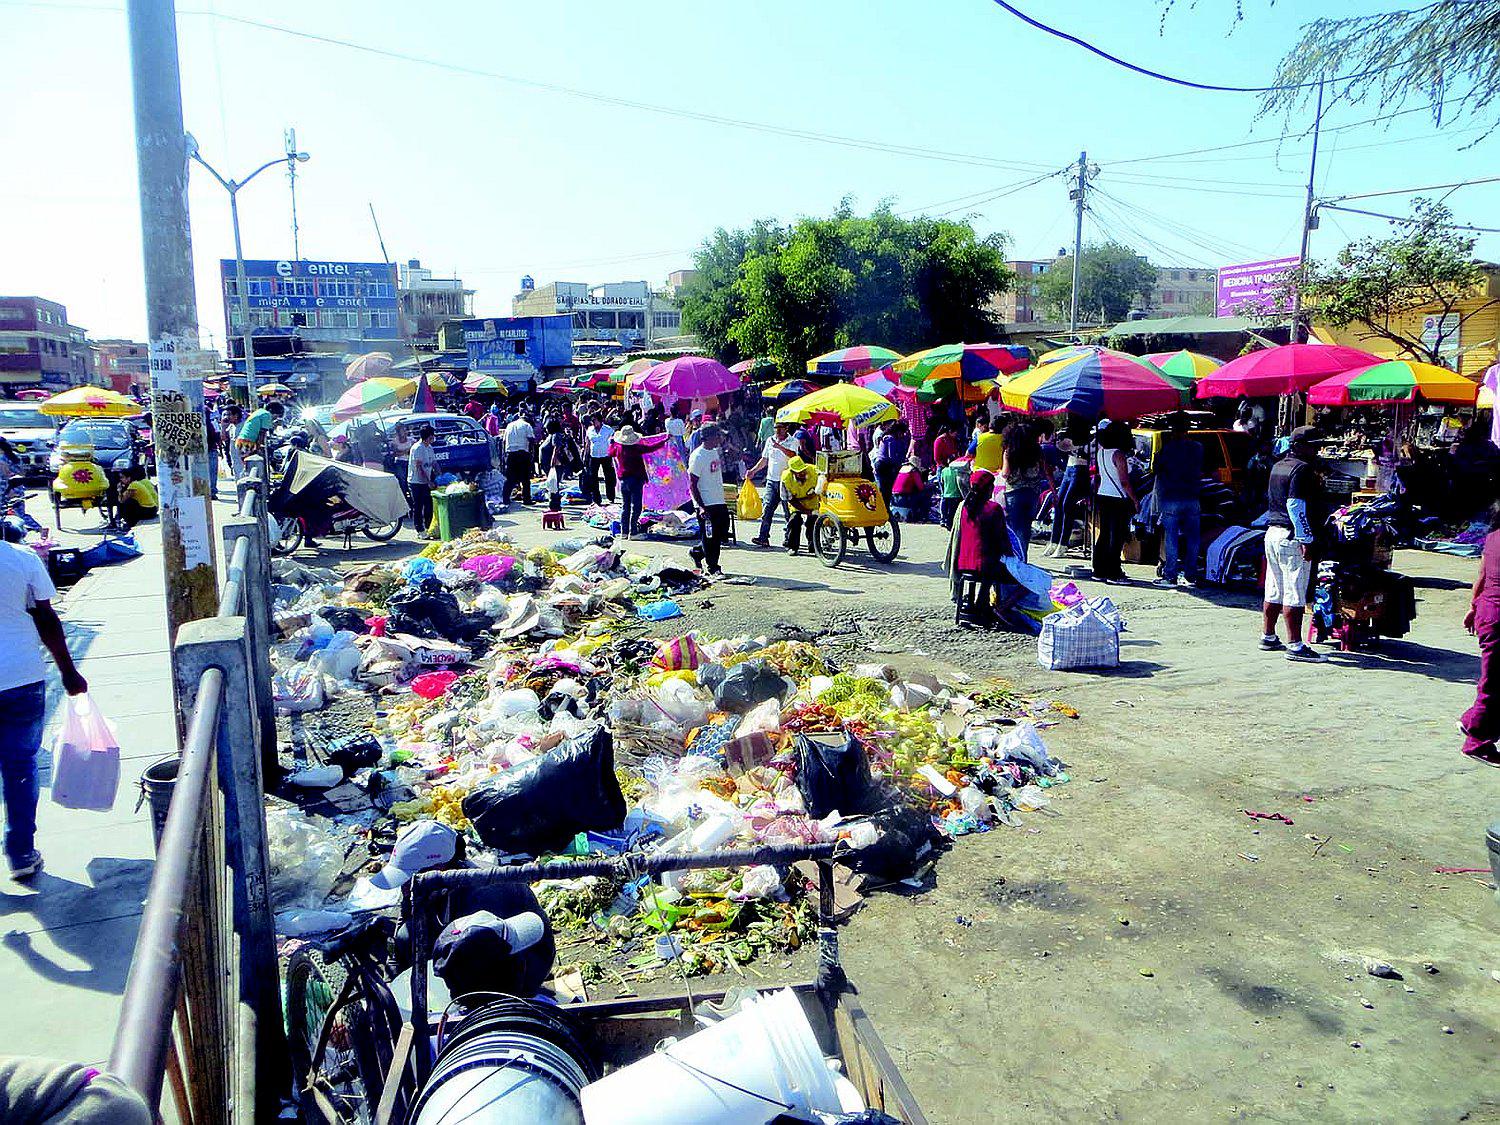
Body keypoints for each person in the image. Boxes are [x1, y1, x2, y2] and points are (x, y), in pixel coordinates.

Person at [1, 517, 88, 879]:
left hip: (21, 678)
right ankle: (21, 854)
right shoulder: (22, 559)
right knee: (20, 768)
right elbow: (46, 618)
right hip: (21, 676)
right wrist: (68, 671)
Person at [1260, 426, 1327, 663]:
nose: (1316, 449)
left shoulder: (1278, 466)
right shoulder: (1302, 469)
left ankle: (1268, 636)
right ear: (1298, 446)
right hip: (1291, 536)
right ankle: (1296, 645)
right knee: (1294, 592)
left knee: (1274, 587)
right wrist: (1306, 538)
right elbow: (1295, 506)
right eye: (1312, 445)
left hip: (1272, 533)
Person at [1460, 502, 1500, 765]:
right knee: (1493, 684)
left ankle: (1469, 720)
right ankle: (1476, 742)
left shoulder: (1492, 538)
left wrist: (1473, 608)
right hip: (1497, 617)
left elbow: (1482, 576)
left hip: (1488, 611)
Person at [1151, 413, 1204, 589]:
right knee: (1193, 538)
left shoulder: (1166, 450)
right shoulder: (1198, 448)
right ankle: (1191, 575)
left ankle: (1171, 575)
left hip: (1171, 497)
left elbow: (1156, 469)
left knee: (1171, 538)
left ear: (1172, 430)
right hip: (1192, 497)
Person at [955, 471, 1014, 625]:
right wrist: (1012, 557)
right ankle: (995, 608)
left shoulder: (964, 508)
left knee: (989, 566)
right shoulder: (993, 509)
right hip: (985, 565)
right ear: (987, 488)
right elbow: (1002, 539)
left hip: (963, 563)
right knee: (1022, 581)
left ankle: (979, 602)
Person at [1000, 420, 1052, 563]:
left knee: (1014, 528)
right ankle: (1023, 558)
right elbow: (1046, 471)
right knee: (1025, 528)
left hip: (1014, 493)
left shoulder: (1010, 451)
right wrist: (1053, 490)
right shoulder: (1037, 450)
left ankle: (1015, 560)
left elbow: (1005, 473)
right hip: (1032, 494)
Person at [1092, 420, 1137, 584]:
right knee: (1116, 536)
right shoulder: (1118, 454)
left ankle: (1099, 569)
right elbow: (1124, 481)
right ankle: (1114, 572)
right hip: (1118, 498)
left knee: (1104, 534)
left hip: (1103, 495)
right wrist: (1135, 500)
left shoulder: (1101, 453)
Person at [1045, 418, 1092, 558]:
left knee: (1067, 505)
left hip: (1080, 468)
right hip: (1069, 468)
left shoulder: (1089, 437)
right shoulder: (1071, 432)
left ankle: (1063, 543)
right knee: (1059, 503)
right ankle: (1054, 541)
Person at [747, 421, 798, 547]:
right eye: (776, 428)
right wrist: (753, 471)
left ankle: (788, 538)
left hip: (786, 482)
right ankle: (763, 537)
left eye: (780, 428)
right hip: (771, 480)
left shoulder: (793, 441)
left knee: (788, 512)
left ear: (786, 429)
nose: (777, 431)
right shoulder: (770, 440)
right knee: (767, 509)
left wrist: (779, 447)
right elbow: (764, 460)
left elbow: (793, 455)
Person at [688, 422, 729, 577]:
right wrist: (700, 506)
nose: (720, 438)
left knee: (720, 532)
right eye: (717, 435)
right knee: (711, 537)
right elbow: (692, 484)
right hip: (706, 503)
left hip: (718, 499)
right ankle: (713, 566)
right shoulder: (698, 456)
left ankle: (697, 552)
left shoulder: (714, 451)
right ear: (709, 437)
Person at [609, 425, 647, 539]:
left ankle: (624, 532)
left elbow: (610, 453)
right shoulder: (637, 448)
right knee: (636, 506)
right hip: (636, 479)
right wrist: (665, 440)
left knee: (625, 507)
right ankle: (633, 531)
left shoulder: (618, 447)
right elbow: (651, 447)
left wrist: (612, 443)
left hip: (624, 480)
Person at [781, 454, 820, 555]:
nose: (802, 473)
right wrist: (807, 511)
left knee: (813, 522)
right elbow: (790, 499)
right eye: (799, 472)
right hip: (796, 502)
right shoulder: (786, 478)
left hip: (813, 500)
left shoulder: (814, 470)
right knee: (794, 520)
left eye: (803, 470)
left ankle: (814, 546)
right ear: (793, 472)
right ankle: (792, 547)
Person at [408, 424, 437, 539]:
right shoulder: (417, 448)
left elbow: (434, 463)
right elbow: (419, 468)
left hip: (427, 481)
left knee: (429, 505)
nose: (433, 439)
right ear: (427, 437)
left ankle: (429, 527)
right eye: (431, 437)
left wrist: (440, 475)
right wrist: (428, 481)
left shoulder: (429, 448)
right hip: (416, 482)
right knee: (418, 506)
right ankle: (419, 529)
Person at [873, 421, 909, 509]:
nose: (902, 435)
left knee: (887, 489)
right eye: (902, 433)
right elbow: (891, 456)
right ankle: (883, 508)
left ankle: (885, 507)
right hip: (883, 465)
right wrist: (899, 463)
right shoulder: (890, 439)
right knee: (884, 489)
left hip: (887, 465)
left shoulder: (895, 439)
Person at [502, 412, 535, 504]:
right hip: (522, 453)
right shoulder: (527, 425)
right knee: (525, 478)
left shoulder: (509, 425)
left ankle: (505, 499)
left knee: (510, 478)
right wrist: (532, 453)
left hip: (510, 454)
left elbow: (504, 441)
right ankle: (526, 499)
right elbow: (531, 440)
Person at [584, 414, 617, 505]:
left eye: (595, 420)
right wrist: (585, 455)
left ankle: (611, 497)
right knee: (593, 477)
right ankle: (596, 499)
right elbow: (587, 443)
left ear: (600, 420)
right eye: (592, 421)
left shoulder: (608, 429)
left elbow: (613, 442)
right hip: (594, 456)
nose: (593, 423)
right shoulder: (590, 430)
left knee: (609, 476)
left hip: (606, 456)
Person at [117, 465, 158, 530]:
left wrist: (119, 490)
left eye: (122, 477)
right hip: (151, 509)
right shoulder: (135, 484)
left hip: (149, 511)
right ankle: (123, 522)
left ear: (129, 478)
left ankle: (129, 524)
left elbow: (122, 500)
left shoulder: (133, 485)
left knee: (128, 502)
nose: (121, 480)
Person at [938, 454, 965, 528]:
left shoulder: (943, 471)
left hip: (946, 494)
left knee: (946, 511)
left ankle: (945, 521)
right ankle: (950, 525)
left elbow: (942, 482)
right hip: (956, 495)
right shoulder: (957, 471)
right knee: (953, 512)